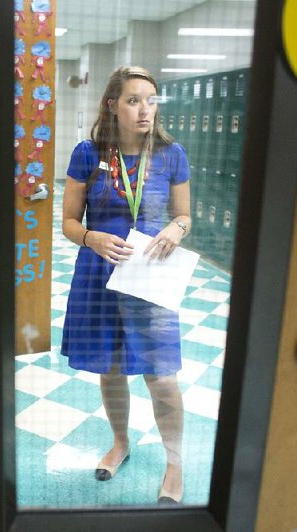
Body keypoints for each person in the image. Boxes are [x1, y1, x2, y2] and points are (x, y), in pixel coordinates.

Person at [61, 66, 191, 504]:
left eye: (151, 100)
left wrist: (177, 228)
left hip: (151, 275)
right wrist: (89, 236)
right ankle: (121, 442)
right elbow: (67, 221)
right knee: (111, 368)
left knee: (162, 376)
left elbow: (184, 215)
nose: (145, 109)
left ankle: (175, 462)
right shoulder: (87, 152)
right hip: (100, 272)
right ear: (113, 106)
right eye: (134, 100)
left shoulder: (171, 154)